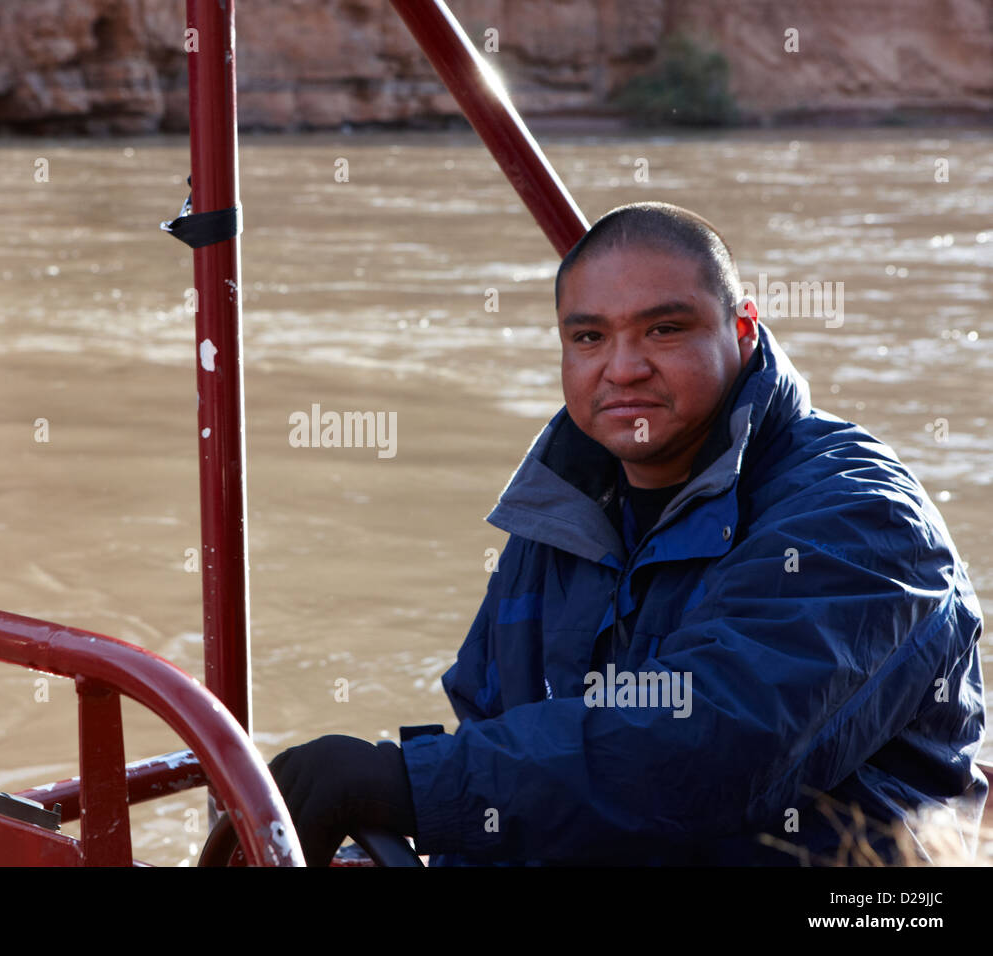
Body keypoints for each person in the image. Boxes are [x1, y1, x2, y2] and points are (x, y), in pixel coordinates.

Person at [268, 202, 987, 866]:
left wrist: (409, 782)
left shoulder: (858, 515)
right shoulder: (562, 516)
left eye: (664, 329)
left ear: (743, 329)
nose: (623, 367)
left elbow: (710, 750)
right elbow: (494, 727)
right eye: (589, 337)